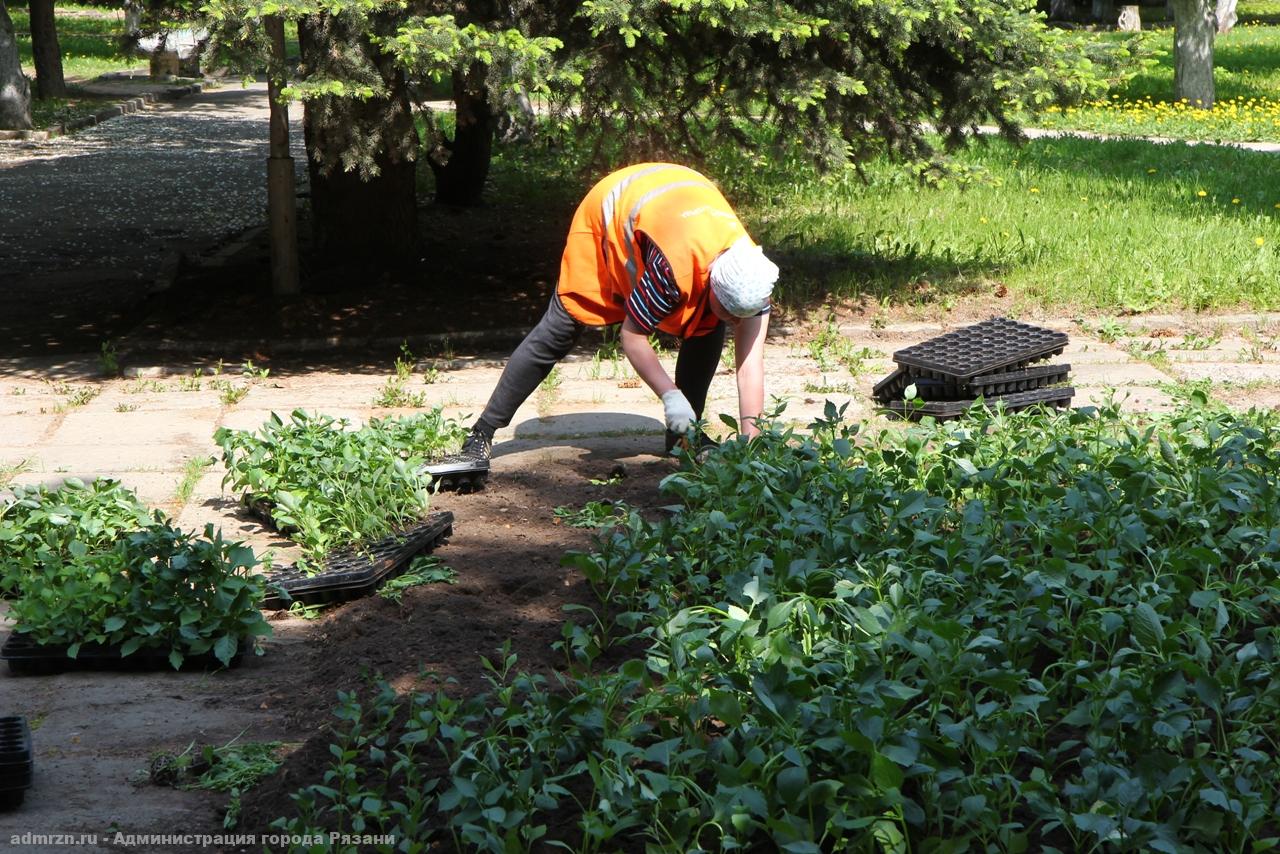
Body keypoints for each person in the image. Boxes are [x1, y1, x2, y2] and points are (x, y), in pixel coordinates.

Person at [426, 162, 779, 483]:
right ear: (711, 282)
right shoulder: (672, 270)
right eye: (730, 312)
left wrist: (752, 443)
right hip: (611, 214)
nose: (736, 322)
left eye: (742, 316)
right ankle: (481, 435)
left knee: (706, 325)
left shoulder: (752, 275)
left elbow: (750, 366)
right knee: (561, 326)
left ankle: (685, 438)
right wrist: (671, 396)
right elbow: (633, 336)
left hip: (679, 210)